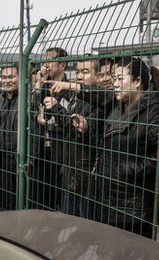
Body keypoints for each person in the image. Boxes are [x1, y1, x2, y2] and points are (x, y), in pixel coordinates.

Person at [92, 56, 159, 237]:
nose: (115, 83)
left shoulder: (154, 112)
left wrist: (128, 170)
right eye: (114, 78)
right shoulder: (118, 107)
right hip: (108, 198)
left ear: (136, 82)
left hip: (134, 207)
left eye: (120, 79)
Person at [38, 58, 100, 217]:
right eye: (78, 71)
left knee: (83, 225)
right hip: (70, 171)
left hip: (85, 176)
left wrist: (57, 108)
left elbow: (77, 130)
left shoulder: (99, 102)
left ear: (98, 75)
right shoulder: (79, 98)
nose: (80, 76)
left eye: (85, 72)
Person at [31, 47, 69, 210]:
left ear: (62, 65)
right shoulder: (44, 86)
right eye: (44, 60)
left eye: (50, 60)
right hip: (41, 151)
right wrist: (38, 84)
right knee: (40, 199)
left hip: (60, 154)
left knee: (57, 201)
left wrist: (45, 122)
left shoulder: (68, 89)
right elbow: (31, 110)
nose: (46, 64)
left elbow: (66, 120)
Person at [0, 66, 19, 210]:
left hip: (18, 159)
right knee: (4, 200)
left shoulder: (27, 99)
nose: (7, 81)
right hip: (0, 159)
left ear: (19, 77)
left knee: (18, 200)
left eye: (11, 77)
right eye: (4, 78)